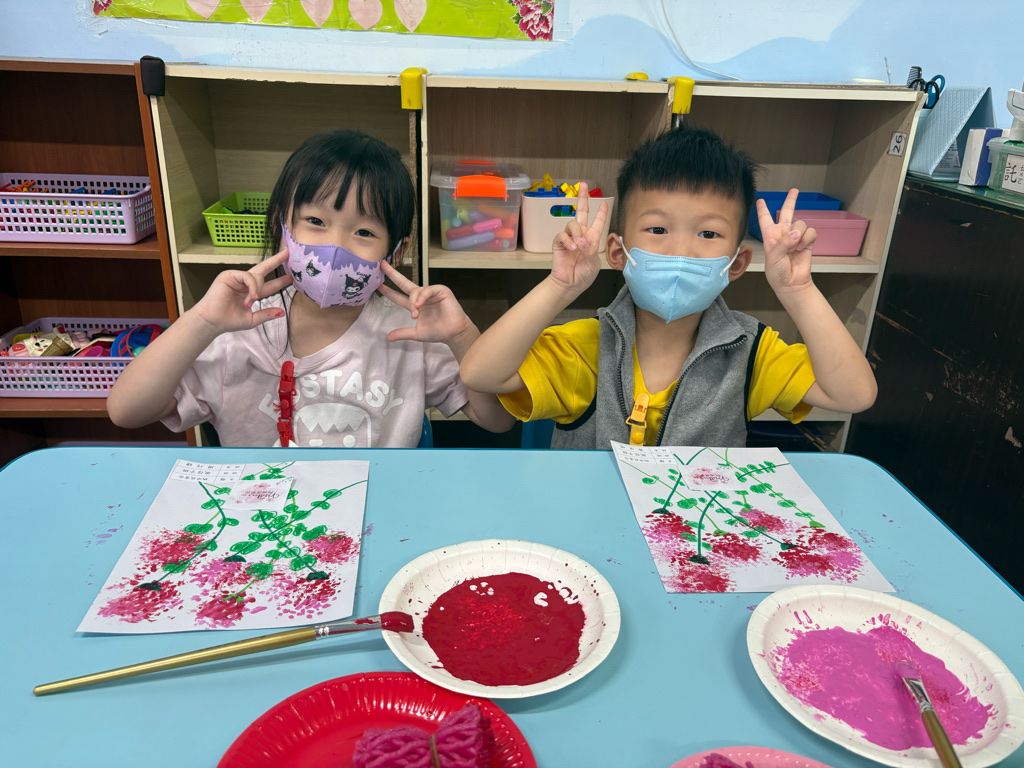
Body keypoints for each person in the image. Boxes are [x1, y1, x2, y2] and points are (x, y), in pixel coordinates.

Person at [459, 127, 876, 448]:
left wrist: (798, 290)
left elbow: (854, 395)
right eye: (658, 229)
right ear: (617, 253)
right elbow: (480, 372)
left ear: (736, 264)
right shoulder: (586, 348)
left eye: (708, 234)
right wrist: (559, 286)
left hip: (695, 530)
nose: (681, 251)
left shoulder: (750, 353)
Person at [107, 128, 514, 447]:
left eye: (364, 231)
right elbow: (126, 411)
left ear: (397, 251)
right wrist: (202, 322)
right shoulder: (237, 331)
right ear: (281, 225)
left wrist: (461, 337)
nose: (335, 246)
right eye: (316, 222)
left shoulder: (410, 335)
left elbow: (498, 421)